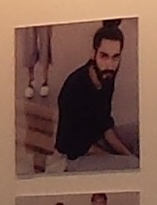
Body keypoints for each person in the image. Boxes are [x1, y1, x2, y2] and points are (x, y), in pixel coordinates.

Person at [52, 22, 128, 167]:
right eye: (104, 56)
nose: (110, 64)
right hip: (75, 155)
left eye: (115, 57)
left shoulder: (106, 75)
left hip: (99, 138)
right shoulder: (76, 86)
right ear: (93, 54)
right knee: (130, 163)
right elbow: (71, 145)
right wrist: (124, 156)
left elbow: (104, 123)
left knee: (140, 135)